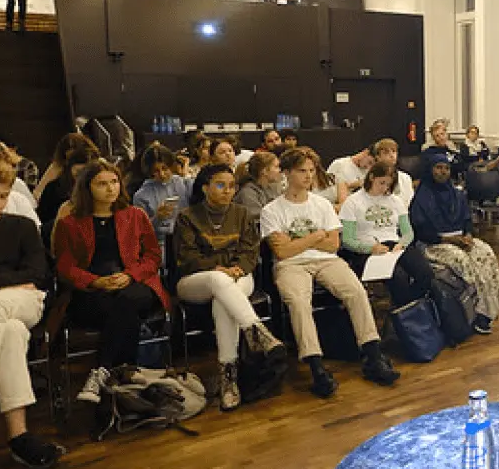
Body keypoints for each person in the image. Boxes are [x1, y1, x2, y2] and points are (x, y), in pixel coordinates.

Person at [260, 147, 399, 397]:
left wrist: (298, 240)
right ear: (287, 173)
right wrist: (315, 235)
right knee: (299, 302)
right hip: (290, 266)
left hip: (326, 260)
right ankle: (315, 365)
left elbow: (333, 244)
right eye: (302, 171)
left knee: (356, 291)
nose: (308, 176)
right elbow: (282, 252)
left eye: (312, 171)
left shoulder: (322, 204)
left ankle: (373, 354)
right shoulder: (272, 210)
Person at [174, 164, 286, 411]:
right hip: (196, 279)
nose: (228, 190)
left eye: (231, 185)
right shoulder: (187, 216)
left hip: (238, 276)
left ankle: (229, 378)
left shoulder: (242, 214)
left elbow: (250, 252)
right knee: (218, 282)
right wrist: (218, 268)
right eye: (220, 185)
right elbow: (187, 258)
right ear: (205, 188)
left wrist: (236, 268)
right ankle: (256, 330)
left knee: (222, 300)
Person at [56, 161, 170, 403]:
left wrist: (130, 275)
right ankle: (125, 370)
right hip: (93, 290)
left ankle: (101, 372)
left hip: (136, 282)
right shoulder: (70, 223)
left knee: (129, 299)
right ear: (87, 188)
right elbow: (65, 266)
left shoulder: (135, 216)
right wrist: (96, 281)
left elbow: (152, 256)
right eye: (102, 184)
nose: (111, 189)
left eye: (115, 182)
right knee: (121, 308)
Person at [0, 163, 63, 469]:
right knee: (10, 332)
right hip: (10, 310)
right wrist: (11, 278)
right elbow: (24, 273)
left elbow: (38, 273)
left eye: (2, 196)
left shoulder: (21, 225)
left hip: (28, 299)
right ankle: (18, 435)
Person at [411, 152, 499, 334]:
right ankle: (474, 311)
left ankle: (487, 312)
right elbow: (421, 231)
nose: (443, 172)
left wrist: (469, 235)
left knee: (486, 254)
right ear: (430, 170)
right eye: (438, 168)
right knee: (463, 261)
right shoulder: (421, 197)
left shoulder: (457, 194)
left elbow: (467, 220)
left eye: (446, 168)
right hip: (434, 243)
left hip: (460, 239)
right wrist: (449, 240)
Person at [339, 162, 432, 312]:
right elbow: (348, 240)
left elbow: (408, 232)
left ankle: (410, 309)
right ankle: (406, 313)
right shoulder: (353, 202)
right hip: (368, 248)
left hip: (395, 245)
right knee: (398, 278)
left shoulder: (395, 201)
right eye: (381, 183)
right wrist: (370, 248)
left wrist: (402, 243)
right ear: (371, 178)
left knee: (425, 273)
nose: (384, 188)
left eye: (388, 185)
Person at [38, 144, 99, 250]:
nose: (82, 177)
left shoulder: (100, 189)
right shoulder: (54, 188)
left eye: (88, 173)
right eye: (79, 172)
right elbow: (42, 219)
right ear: (69, 169)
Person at [132, 144, 192, 250]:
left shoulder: (182, 182)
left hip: (187, 239)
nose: (162, 174)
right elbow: (140, 232)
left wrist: (186, 175)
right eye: (156, 171)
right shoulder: (141, 195)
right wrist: (157, 218)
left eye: (165, 168)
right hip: (160, 243)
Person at [235, 151, 283, 220]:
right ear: (264, 171)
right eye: (276, 167)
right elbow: (259, 217)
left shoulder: (273, 188)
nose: (280, 170)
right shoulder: (248, 193)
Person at [371, 139, 414, 208]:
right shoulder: (372, 177)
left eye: (394, 151)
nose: (391, 155)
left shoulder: (405, 177)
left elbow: (410, 202)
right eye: (386, 152)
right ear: (378, 157)